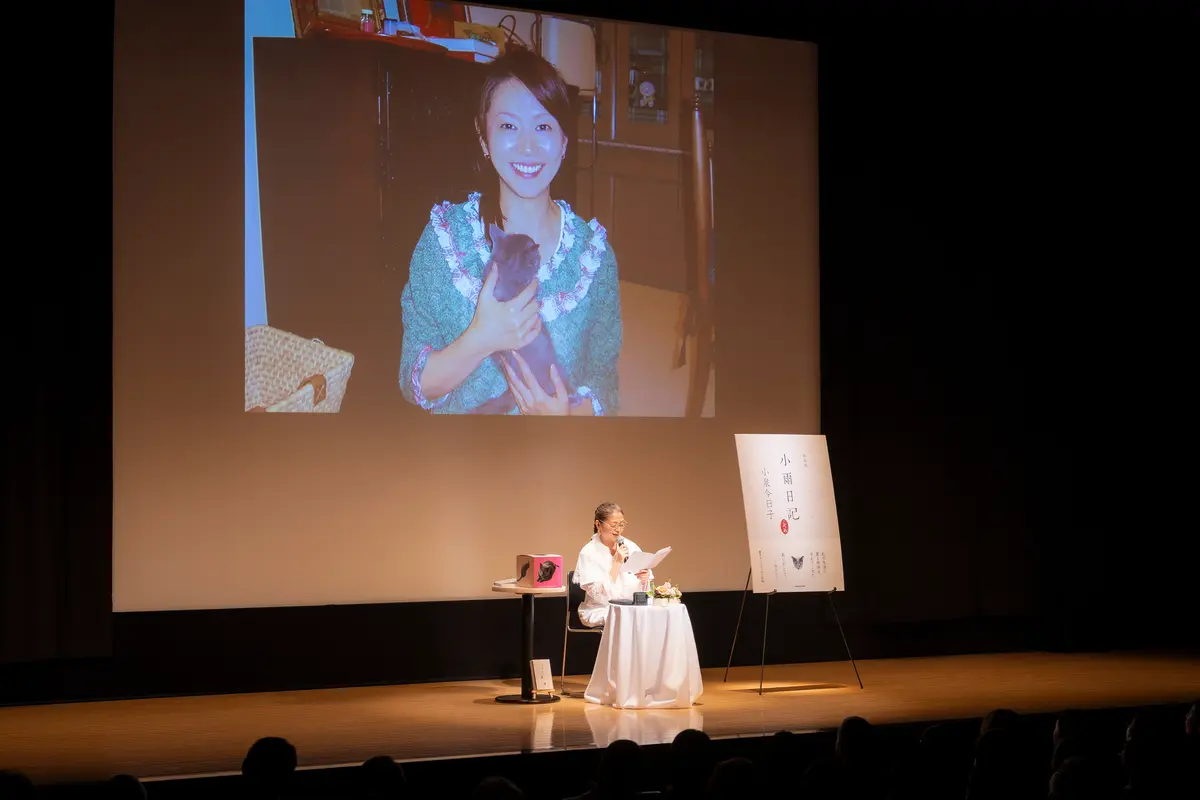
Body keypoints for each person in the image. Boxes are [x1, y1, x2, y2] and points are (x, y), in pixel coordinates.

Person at [398, 45, 622, 415]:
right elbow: (413, 381)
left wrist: (567, 417)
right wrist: (481, 338)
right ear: (483, 138)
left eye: (544, 126)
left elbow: (605, 382)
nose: (527, 146)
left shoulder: (593, 259)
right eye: (508, 126)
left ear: (565, 141)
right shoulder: (444, 241)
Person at [573, 502, 652, 627]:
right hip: (602, 608)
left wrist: (644, 579)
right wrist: (617, 562)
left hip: (631, 606)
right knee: (625, 619)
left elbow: (644, 587)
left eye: (621, 525)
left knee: (652, 615)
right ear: (598, 524)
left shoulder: (631, 546)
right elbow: (599, 596)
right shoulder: (588, 552)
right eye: (614, 525)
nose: (618, 529)